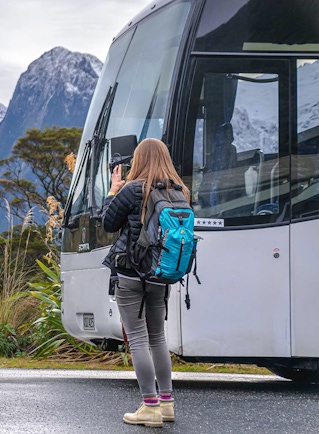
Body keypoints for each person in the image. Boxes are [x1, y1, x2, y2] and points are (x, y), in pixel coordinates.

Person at [101, 138, 188, 427]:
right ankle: (166, 404)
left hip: (130, 271)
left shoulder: (132, 189)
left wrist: (112, 191)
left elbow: (108, 224)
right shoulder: (179, 191)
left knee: (137, 337)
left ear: (138, 160)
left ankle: (149, 407)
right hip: (162, 273)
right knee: (158, 337)